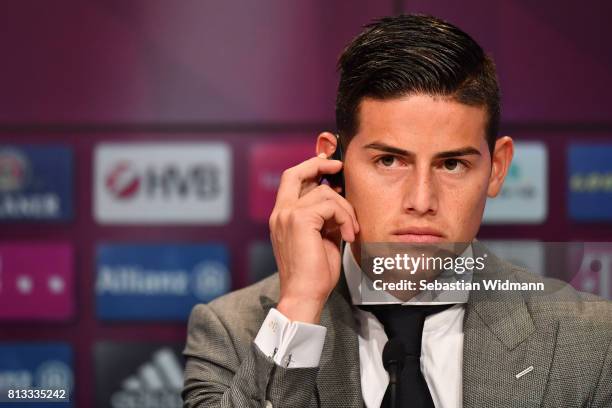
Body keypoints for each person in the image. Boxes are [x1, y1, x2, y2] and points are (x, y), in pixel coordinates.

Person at [182, 14, 612, 408]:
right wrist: (298, 307)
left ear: (497, 169)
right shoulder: (234, 332)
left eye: (451, 164)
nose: (422, 200)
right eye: (389, 161)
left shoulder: (588, 340)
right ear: (334, 164)